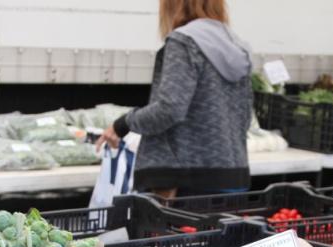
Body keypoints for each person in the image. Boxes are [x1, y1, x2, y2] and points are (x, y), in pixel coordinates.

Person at [99, 0, 252, 198]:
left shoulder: (183, 42)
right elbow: (245, 117)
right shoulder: (238, 46)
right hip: (232, 174)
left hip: (183, 181)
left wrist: (123, 124)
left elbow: (170, 109)